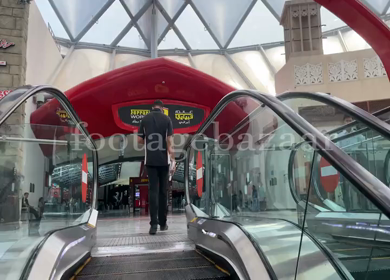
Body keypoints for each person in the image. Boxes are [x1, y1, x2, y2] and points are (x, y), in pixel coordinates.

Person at [138, 100, 175, 235]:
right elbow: (169, 142)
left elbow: (139, 141)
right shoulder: (167, 119)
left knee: (153, 191)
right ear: (162, 108)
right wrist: (173, 159)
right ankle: (163, 223)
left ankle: (153, 225)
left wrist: (148, 139)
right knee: (163, 192)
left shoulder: (145, 119)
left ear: (152, 107)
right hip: (164, 161)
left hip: (150, 161)